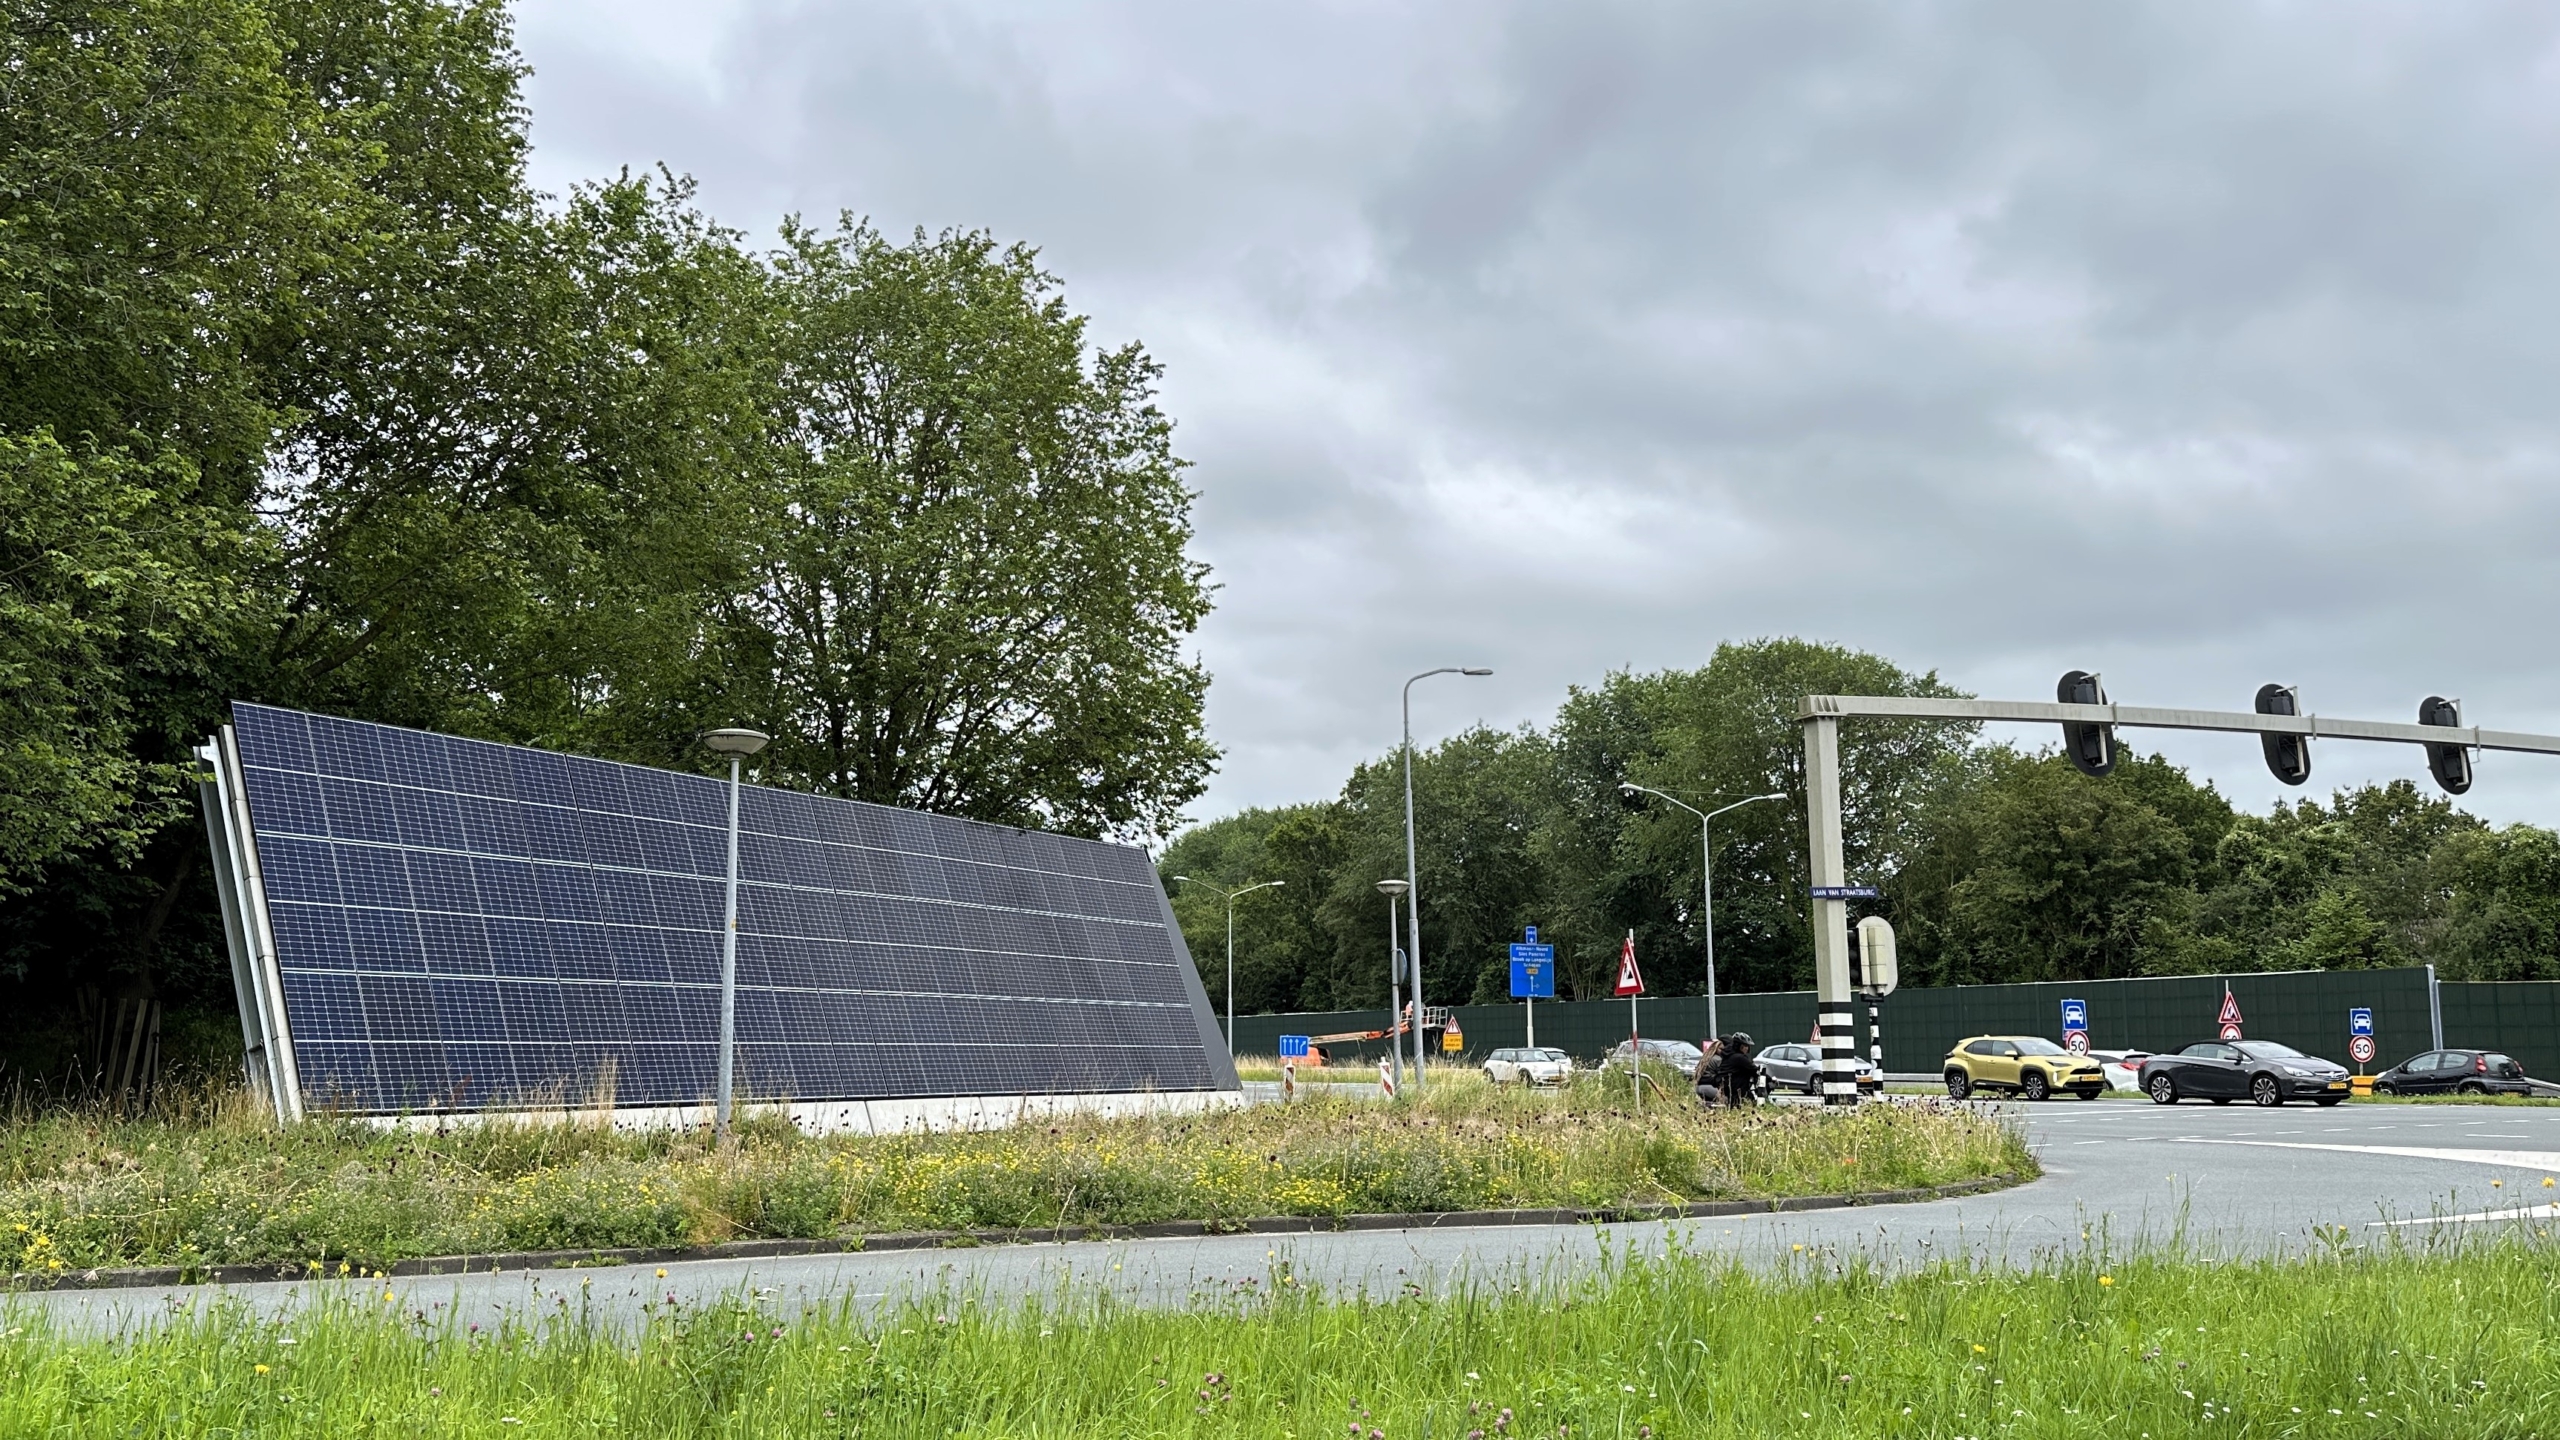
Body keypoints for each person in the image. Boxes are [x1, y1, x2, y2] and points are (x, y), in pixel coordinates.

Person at [1717, 1032, 1758, 1107]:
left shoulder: (1728, 1055)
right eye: (1745, 1046)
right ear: (1739, 1046)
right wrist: (1770, 1079)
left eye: (1747, 1046)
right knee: (1751, 1104)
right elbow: (1753, 1069)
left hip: (1727, 1088)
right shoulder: (1740, 1058)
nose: (1747, 1048)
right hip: (1738, 1089)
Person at [1692, 1037, 1725, 1107]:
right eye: (1721, 1049)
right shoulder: (1718, 1059)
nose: (1723, 1051)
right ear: (1716, 1049)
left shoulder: (1706, 1058)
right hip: (1710, 1087)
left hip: (1698, 1087)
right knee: (1726, 1100)